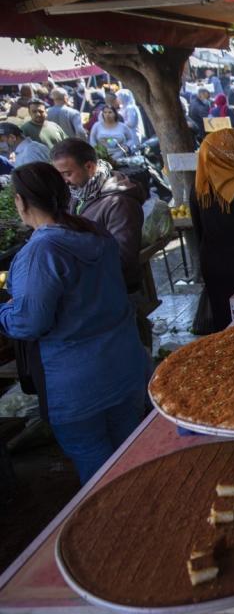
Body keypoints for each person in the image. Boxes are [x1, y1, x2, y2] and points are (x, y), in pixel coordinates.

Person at [0, 162, 148, 483]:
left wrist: (5, 312)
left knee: (99, 472)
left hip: (78, 387)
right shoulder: (93, 232)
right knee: (133, 456)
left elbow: (28, 322)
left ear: (22, 202)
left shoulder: (42, 251)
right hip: (124, 366)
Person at [190, 129, 234, 333]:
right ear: (230, 154)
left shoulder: (198, 187)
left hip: (212, 263)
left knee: (224, 319)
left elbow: (197, 231)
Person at [51, 139, 145, 294]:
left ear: (89, 167)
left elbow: (123, 259)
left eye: (68, 174)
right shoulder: (78, 193)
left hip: (115, 289)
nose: (64, 181)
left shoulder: (119, 203)